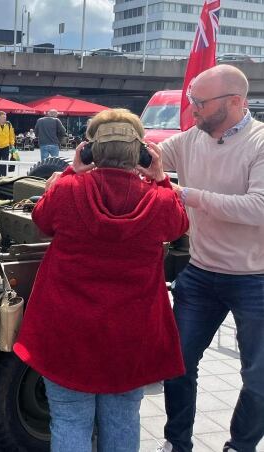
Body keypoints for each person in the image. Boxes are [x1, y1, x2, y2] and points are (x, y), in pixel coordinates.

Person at [13, 109, 189, 452]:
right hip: (131, 334)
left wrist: (70, 170)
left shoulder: (66, 189)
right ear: (140, 152)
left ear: (89, 150)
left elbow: (41, 219)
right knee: (123, 419)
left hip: (66, 329)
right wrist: (160, 179)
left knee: (68, 420)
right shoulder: (160, 199)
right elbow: (179, 227)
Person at [156, 65, 264, 452]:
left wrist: (185, 193)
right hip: (200, 272)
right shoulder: (192, 138)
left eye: (199, 103)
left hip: (256, 279)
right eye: (191, 102)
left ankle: (241, 445)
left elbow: (258, 208)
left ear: (235, 101)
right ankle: (176, 442)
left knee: (259, 377)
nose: (193, 111)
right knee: (177, 363)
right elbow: (147, 153)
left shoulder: (260, 142)